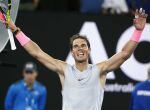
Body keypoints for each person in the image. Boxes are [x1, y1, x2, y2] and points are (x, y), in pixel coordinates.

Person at [0, 8, 148, 110]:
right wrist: (15, 30)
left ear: (89, 50)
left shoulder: (101, 70)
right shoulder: (63, 69)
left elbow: (124, 54)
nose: (80, 48)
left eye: (83, 45)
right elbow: (37, 53)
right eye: (76, 46)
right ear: (72, 52)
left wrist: (138, 31)